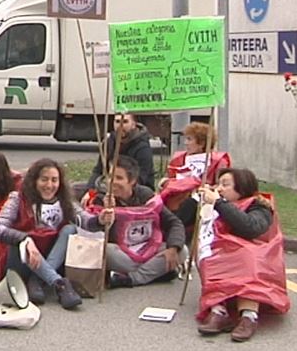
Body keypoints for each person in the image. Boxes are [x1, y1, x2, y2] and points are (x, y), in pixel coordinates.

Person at [195, 168, 289, 342]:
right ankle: (218, 310)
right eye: (218, 184)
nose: (220, 189)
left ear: (242, 187)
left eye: (226, 184)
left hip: (252, 251)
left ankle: (248, 315)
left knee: (247, 257)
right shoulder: (214, 206)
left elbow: (251, 228)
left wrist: (220, 204)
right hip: (222, 252)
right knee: (209, 257)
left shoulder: (260, 205)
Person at [78, 156, 186, 289]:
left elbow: (174, 223)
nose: (112, 182)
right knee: (104, 251)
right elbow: (93, 233)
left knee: (182, 251)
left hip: (148, 246)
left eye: (119, 178)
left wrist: (173, 248)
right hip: (122, 254)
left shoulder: (146, 195)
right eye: (110, 176)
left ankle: (131, 279)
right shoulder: (101, 198)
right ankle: (154, 272)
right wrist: (106, 216)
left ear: (132, 181)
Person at [0, 158, 83, 310]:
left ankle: (38, 280)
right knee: (22, 242)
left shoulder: (64, 200)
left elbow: (85, 220)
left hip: (47, 257)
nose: (49, 185)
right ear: (34, 181)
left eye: (54, 180)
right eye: (44, 180)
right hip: (20, 260)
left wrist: (101, 218)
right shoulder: (17, 198)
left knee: (70, 229)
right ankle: (59, 284)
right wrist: (24, 239)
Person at [159, 121, 232, 234]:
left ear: (201, 143)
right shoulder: (178, 159)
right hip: (174, 198)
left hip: (201, 201)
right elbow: (169, 178)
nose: (185, 143)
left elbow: (220, 185)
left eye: (189, 139)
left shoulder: (218, 161)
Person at [86, 113, 155, 191]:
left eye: (125, 122)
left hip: (135, 190)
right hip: (109, 185)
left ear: (133, 125)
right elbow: (98, 170)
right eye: (117, 121)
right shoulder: (109, 143)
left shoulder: (143, 148)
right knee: (75, 189)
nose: (120, 126)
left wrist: (114, 190)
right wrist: (90, 191)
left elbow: (141, 179)